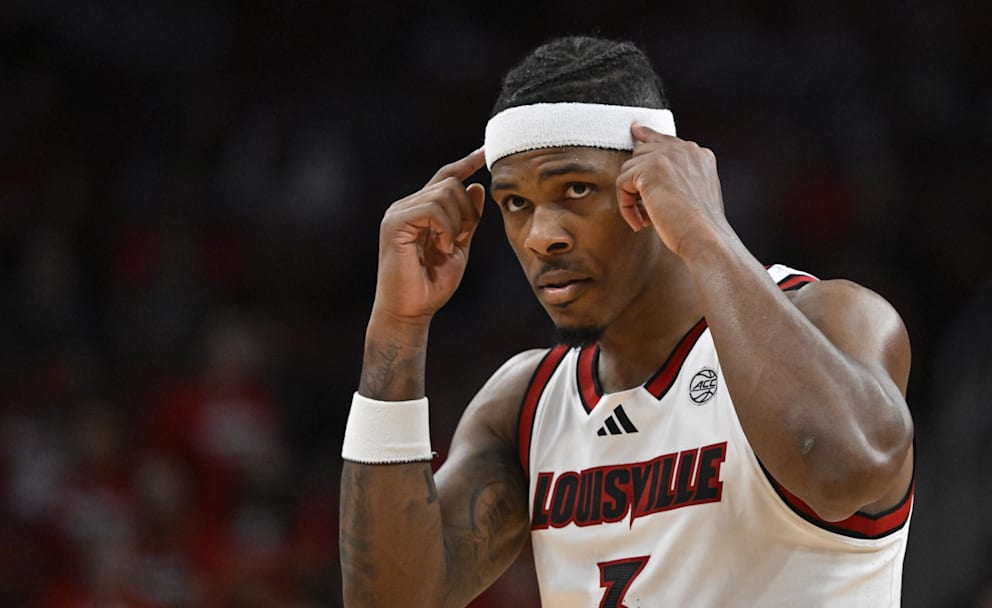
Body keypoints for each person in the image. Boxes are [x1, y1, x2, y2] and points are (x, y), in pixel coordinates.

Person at [339, 35, 914, 607]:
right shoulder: (526, 402)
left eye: (576, 189)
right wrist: (397, 328)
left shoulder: (829, 316)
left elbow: (845, 473)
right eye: (516, 203)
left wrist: (704, 232)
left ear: (659, 177)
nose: (543, 237)